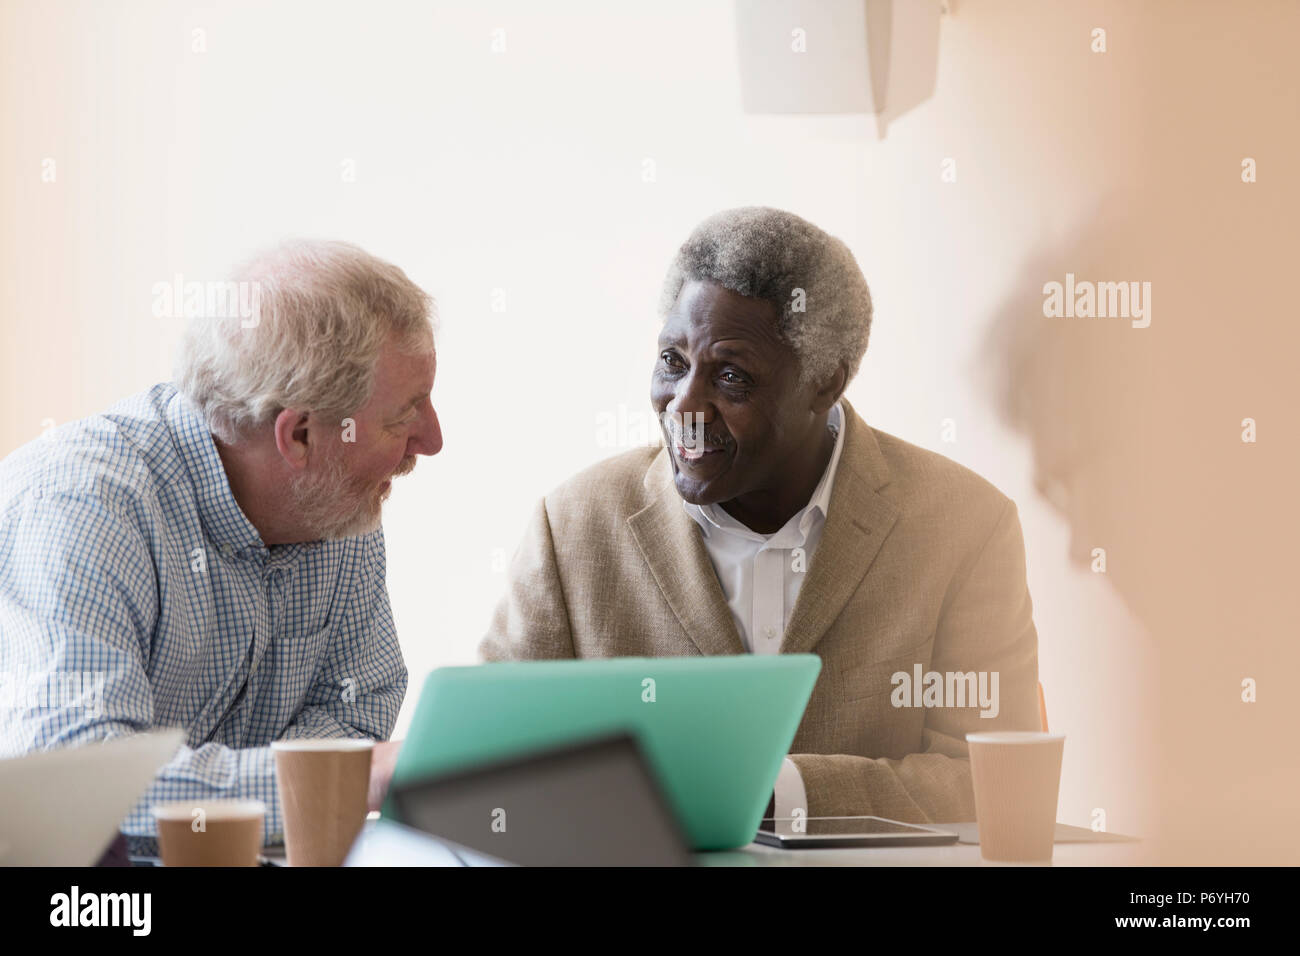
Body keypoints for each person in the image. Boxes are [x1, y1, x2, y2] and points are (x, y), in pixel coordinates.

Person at [480, 207, 1039, 822]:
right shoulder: (573, 527)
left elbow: (993, 780)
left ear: (826, 381)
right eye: (672, 361)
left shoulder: (965, 527)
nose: (684, 406)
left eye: (731, 376)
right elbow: (487, 758)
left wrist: (771, 792)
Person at [0, 239, 442, 848]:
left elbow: (356, 712)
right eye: (405, 413)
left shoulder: (337, 501)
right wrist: (343, 780)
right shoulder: (81, 506)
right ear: (302, 434)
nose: (433, 438)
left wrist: (327, 778)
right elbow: (84, 789)